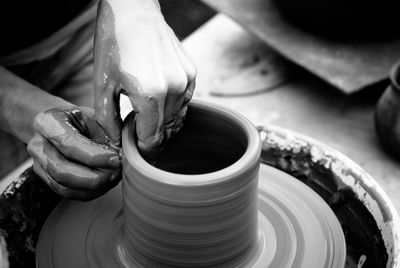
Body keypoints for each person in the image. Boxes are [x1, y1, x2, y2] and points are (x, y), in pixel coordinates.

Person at [0, 0, 196, 200]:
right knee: (45, 176)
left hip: (89, 27)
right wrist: (16, 107)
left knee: (104, 158)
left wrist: (137, 9)